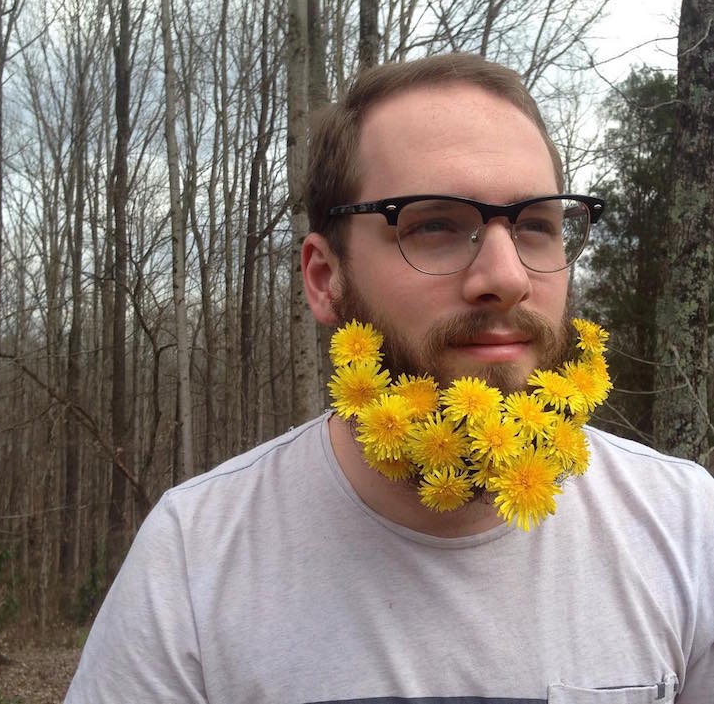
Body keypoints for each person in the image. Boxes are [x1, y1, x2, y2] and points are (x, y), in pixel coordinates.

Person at [65, 53, 713, 703]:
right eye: (434, 225)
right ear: (325, 279)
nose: (506, 276)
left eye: (536, 225)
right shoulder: (194, 556)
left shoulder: (685, 527)